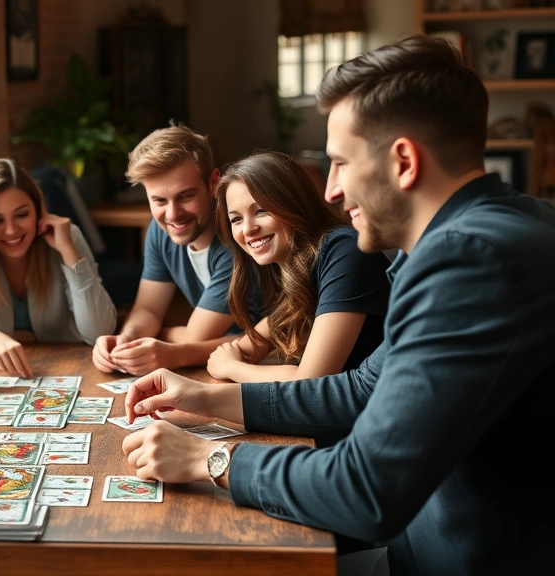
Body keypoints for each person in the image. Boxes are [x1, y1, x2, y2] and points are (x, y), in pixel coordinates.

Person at [120, 36, 555, 576]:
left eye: (340, 163)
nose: (328, 191)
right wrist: (207, 400)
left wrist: (207, 458)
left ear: (403, 161)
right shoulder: (500, 227)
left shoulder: (470, 261)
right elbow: (362, 389)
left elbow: (366, 491)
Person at [205, 150, 390, 383]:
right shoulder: (290, 267)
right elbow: (250, 345)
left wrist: (231, 368)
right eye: (236, 219)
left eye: (261, 210)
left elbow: (311, 380)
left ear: (293, 204)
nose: (248, 229)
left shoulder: (344, 250)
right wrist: (233, 359)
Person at [91, 124, 261, 376]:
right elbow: (148, 310)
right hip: (220, 364)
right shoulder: (161, 231)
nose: (172, 214)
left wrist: (162, 332)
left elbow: (193, 339)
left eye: (185, 196)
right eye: (159, 200)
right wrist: (126, 339)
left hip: (270, 366)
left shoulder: (236, 241)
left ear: (214, 183)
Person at [0, 158, 116, 377]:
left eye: (21, 215)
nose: (10, 230)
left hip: (71, 369)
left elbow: (99, 331)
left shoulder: (68, 237)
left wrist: (69, 252)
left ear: (39, 211)